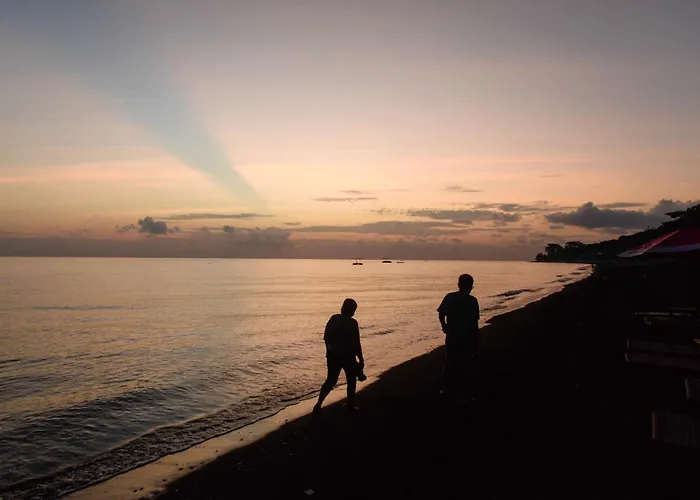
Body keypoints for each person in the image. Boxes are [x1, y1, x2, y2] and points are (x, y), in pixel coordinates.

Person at [313, 298, 365, 413]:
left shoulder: (334, 319)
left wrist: (329, 350)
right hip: (346, 356)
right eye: (353, 310)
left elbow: (326, 337)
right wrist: (361, 359)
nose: (353, 312)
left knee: (331, 380)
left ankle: (318, 404)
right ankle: (349, 405)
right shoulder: (352, 323)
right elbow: (356, 343)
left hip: (334, 355)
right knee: (350, 381)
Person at [437, 274, 480, 398]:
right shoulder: (472, 301)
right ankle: (463, 390)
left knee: (450, 361)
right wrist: (475, 341)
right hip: (467, 336)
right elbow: (474, 322)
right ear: (471, 286)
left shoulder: (450, 297)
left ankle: (446, 388)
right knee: (465, 362)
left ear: (458, 285)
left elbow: (441, 314)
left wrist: (444, 326)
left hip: (453, 335)